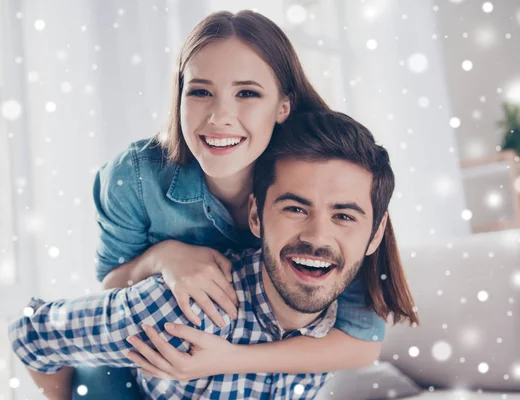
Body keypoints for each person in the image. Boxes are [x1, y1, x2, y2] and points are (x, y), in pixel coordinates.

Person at [29, 9, 387, 399]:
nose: (220, 116)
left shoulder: (328, 179)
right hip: (133, 371)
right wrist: (163, 258)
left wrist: (228, 359)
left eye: (247, 93)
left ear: (284, 105)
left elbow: (361, 341)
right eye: (200, 91)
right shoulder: (133, 177)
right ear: (179, 97)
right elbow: (112, 288)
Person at [9, 110, 419, 400]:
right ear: (256, 217)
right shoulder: (184, 308)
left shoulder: (340, 312)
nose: (317, 236)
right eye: (295, 209)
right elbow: (31, 334)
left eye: (344, 216)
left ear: (374, 235)